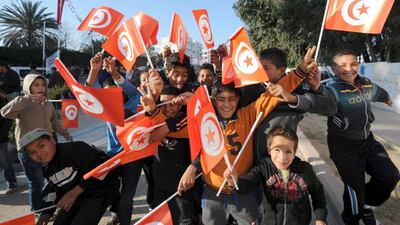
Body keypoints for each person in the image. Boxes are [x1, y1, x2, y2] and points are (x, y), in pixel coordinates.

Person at [188, 46, 316, 225]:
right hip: (212, 193)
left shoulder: (248, 115)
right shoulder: (205, 120)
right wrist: (192, 168)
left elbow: (274, 95)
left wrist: (301, 70)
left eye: (232, 99)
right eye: (221, 99)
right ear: (213, 100)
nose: (227, 104)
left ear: (239, 100)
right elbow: (198, 148)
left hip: (243, 192)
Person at [323, 49, 400, 225]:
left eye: (353, 64)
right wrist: (296, 97)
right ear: (334, 69)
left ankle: (368, 204)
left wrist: (387, 99)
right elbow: (316, 102)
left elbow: (377, 92)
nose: (349, 69)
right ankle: (351, 220)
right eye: (342, 65)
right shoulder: (331, 90)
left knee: (390, 176)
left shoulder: (365, 84)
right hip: (344, 146)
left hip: (367, 140)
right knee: (354, 189)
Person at [224, 126, 327, 225]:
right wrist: (234, 182)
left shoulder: (305, 170)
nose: (282, 157)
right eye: (277, 150)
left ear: (294, 152)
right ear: (269, 150)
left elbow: (318, 192)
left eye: (288, 151)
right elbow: (247, 185)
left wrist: (320, 218)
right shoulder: (263, 168)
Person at [0, 73, 72, 211]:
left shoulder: (47, 103)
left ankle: (48, 207)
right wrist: (28, 98)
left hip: (48, 149)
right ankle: (38, 210)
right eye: (36, 85)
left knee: (52, 179)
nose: (41, 88)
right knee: (36, 182)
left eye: (43, 85)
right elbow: (4, 112)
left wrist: (64, 132)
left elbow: (54, 121)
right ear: (28, 86)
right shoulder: (23, 102)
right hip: (29, 151)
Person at [19, 128, 120, 225]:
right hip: (77, 197)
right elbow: (54, 188)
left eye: (41, 146)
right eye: (32, 152)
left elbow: (107, 168)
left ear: (53, 140)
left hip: (101, 189)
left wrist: (75, 192)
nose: (38, 154)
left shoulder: (76, 149)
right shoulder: (46, 167)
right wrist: (47, 213)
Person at [253, 47, 336, 160]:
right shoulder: (253, 88)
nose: (261, 72)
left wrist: (317, 89)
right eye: (259, 68)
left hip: (281, 160)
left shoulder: (297, 88)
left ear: (281, 70)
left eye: (266, 68)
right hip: (251, 159)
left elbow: (331, 108)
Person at [141, 84, 202, 224]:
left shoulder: (186, 120)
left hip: (181, 187)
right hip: (160, 185)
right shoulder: (150, 119)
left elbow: (159, 133)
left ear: (179, 105)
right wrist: (153, 111)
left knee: (185, 220)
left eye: (172, 104)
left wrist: (155, 112)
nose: (168, 109)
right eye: (163, 105)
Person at [0, 94, 17, 194]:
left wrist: (2, 133)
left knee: (4, 162)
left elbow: (8, 119)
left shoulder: (2, 100)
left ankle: (12, 183)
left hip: (1, 138)